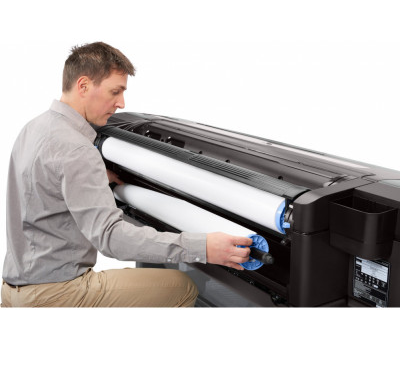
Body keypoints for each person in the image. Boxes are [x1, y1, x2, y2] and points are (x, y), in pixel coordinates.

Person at [1, 42, 252, 307]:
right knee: (182, 286)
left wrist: (95, 177)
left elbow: (46, 181)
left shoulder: (34, 128)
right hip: (56, 293)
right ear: (83, 86)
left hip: (14, 290)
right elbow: (111, 239)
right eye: (115, 91)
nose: (121, 103)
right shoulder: (78, 150)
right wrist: (203, 247)